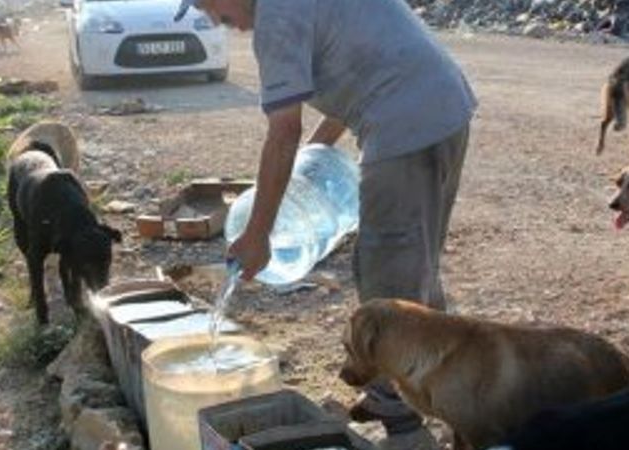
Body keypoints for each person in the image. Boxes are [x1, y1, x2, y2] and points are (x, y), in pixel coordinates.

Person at [174, 0, 477, 448]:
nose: (215, 21)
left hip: (405, 128)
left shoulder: (275, 22)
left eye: (208, 7)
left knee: (388, 284)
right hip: (442, 109)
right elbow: (358, 73)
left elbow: (283, 131)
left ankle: (407, 431)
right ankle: (424, 396)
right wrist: (309, 165)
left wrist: (258, 234)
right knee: (416, 272)